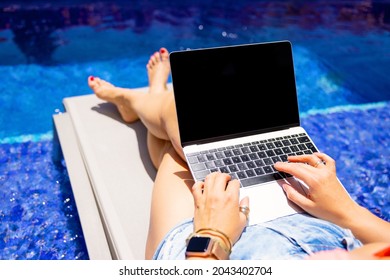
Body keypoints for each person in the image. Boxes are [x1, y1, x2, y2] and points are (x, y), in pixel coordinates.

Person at [87, 47, 390, 260]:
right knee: (192, 145)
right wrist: (347, 210)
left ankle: (140, 97)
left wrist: (212, 237)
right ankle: (149, 97)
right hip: (321, 227)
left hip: (202, 253)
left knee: (188, 134)